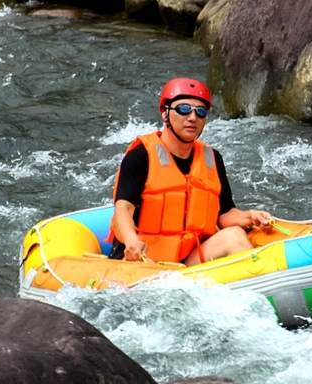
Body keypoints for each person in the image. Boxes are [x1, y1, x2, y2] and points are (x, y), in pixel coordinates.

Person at [108, 78, 273, 265]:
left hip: (188, 259)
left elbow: (224, 214)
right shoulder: (140, 156)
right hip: (144, 257)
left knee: (234, 236)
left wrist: (250, 216)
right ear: (165, 114)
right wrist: (131, 240)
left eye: (200, 112)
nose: (193, 118)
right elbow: (123, 208)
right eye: (183, 109)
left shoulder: (212, 158)